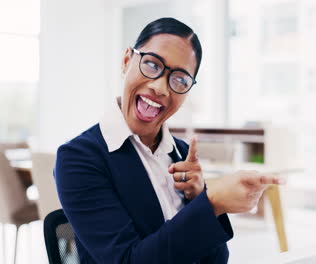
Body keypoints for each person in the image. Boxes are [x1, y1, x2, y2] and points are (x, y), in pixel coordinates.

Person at [54, 17, 281, 264]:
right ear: (127, 60)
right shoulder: (79, 158)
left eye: (180, 80)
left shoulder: (182, 155)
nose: (161, 88)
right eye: (152, 65)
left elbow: (215, 261)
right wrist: (212, 203)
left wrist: (198, 201)